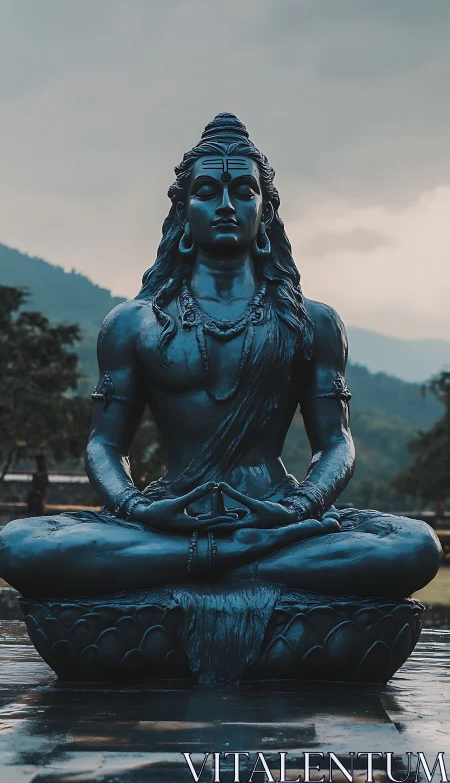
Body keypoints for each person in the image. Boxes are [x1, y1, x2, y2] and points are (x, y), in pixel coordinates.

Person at [0, 113, 441, 599]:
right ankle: (232, 560)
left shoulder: (311, 322)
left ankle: (189, 566)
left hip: (273, 513)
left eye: (244, 191)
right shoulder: (133, 322)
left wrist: (300, 506)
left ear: (266, 210)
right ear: (183, 211)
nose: (227, 204)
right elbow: (105, 444)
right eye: (207, 191)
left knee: (415, 545)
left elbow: (336, 442)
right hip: (173, 515)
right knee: (17, 544)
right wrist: (135, 508)